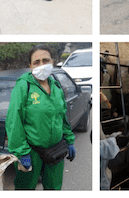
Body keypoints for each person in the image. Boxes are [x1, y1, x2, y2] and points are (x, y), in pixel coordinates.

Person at [5, 44, 76, 190]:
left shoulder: (56, 86)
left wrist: (69, 140)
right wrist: (22, 152)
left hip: (56, 150)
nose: (41, 65)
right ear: (30, 65)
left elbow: (62, 116)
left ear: (52, 62)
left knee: (54, 188)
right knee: (25, 189)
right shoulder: (24, 87)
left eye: (45, 60)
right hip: (32, 152)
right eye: (36, 62)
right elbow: (14, 121)